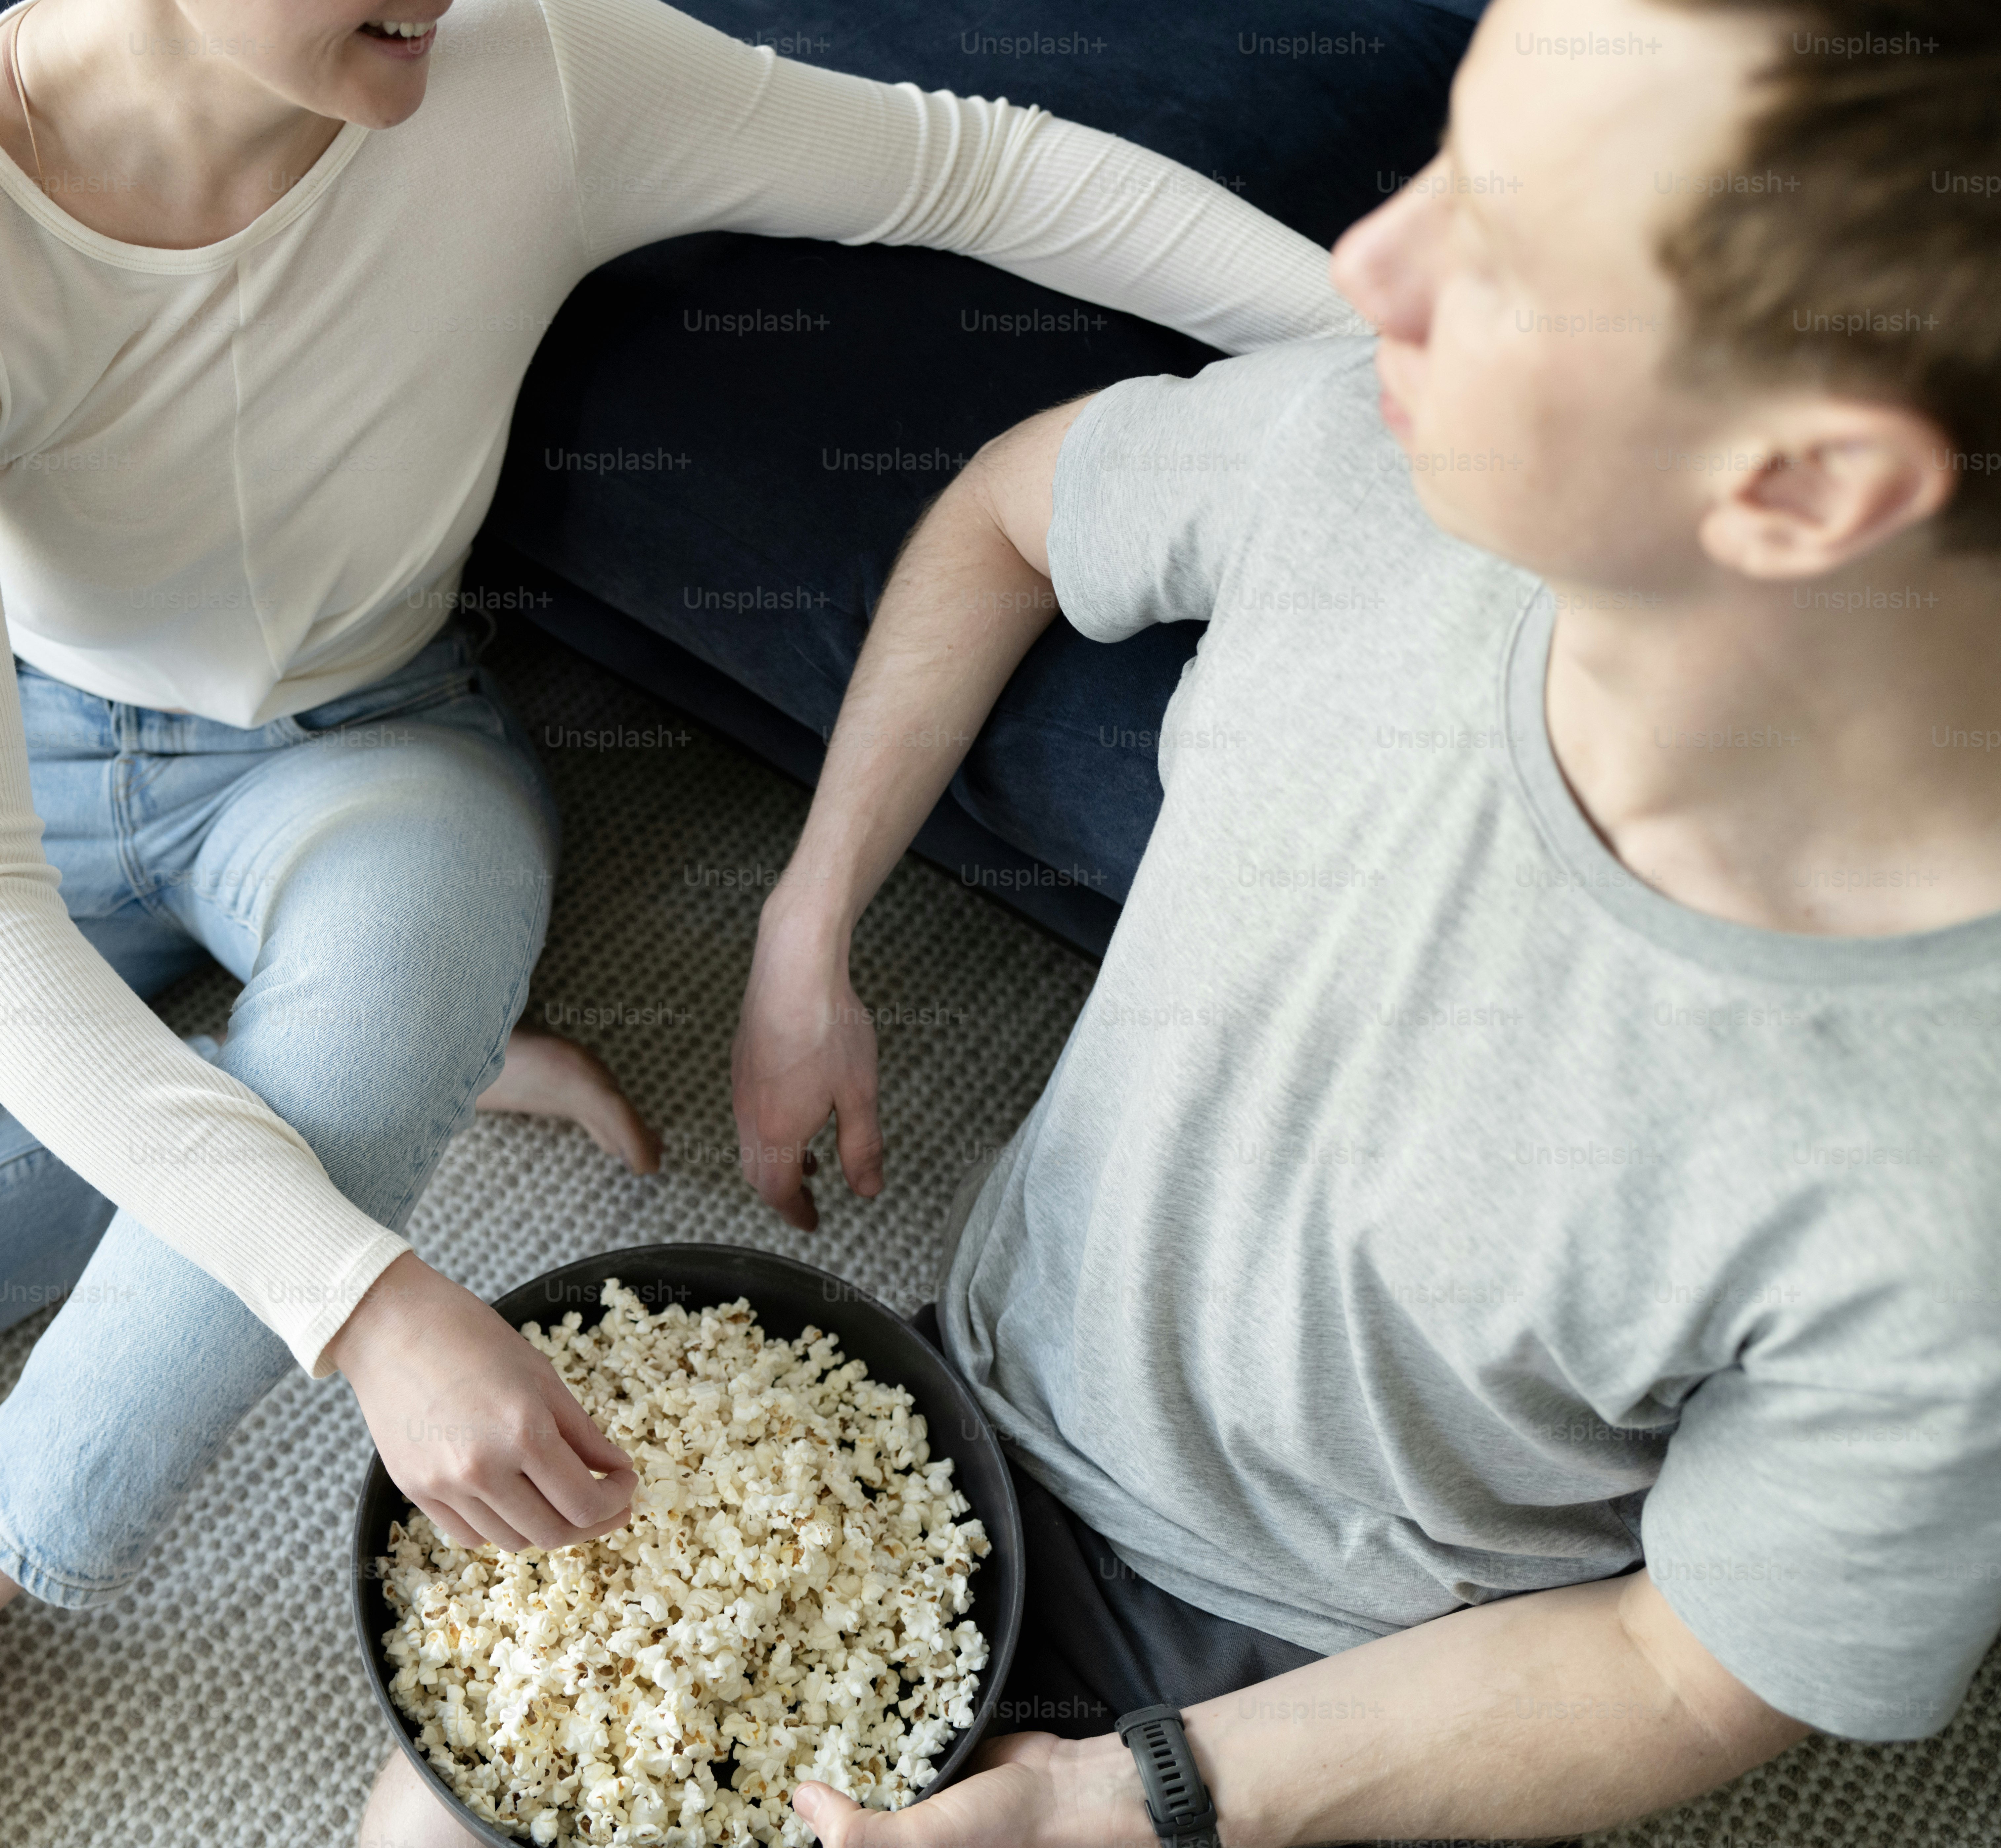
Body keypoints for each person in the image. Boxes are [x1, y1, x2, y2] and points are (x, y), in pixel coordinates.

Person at [0, 0, 1370, 1840]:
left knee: (360, 1038)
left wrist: (1412, 354)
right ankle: (353, 1087)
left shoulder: (534, 66)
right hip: (34, 749)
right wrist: (361, 1298)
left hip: (377, 762)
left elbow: (969, 164)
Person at [699, 0, 2001, 1841]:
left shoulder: (1958, 1195)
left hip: (1343, 1676)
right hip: (967, 1397)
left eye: (1513, 248)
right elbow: (1010, 509)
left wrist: (1131, 1804)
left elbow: (1688, 1667)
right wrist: (804, 924)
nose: (1372, 263)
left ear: (1809, 486)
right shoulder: (1358, 451)